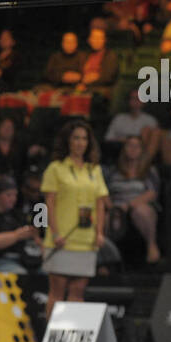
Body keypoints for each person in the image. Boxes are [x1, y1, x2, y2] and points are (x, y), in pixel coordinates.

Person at [41, 120, 108, 318]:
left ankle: (70, 337)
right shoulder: (56, 168)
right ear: (68, 141)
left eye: (84, 139)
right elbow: (49, 204)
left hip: (85, 240)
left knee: (78, 294)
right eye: (76, 138)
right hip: (62, 240)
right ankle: (51, 338)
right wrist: (55, 233)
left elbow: (100, 203)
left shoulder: (94, 169)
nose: (80, 143)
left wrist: (100, 233)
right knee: (57, 294)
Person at [103, 136, 162, 264]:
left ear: (142, 150)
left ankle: (151, 245)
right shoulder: (113, 171)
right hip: (117, 207)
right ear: (124, 149)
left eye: (137, 146)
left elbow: (152, 193)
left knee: (141, 211)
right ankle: (107, 260)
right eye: (129, 145)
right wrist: (111, 207)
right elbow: (103, 192)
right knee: (107, 217)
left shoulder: (149, 170)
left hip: (139, 204)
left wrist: (129, 205)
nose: (133, 149)